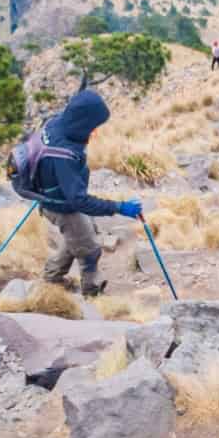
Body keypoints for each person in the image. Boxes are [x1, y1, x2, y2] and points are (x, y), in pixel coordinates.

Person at [32, 88, 143, 296]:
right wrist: (119, 207)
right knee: (90, 250)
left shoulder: (55, 123)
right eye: (93, 126)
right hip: (61, 205)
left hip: (51, 192)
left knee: (79, 234)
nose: (95, 131)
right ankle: (92, 293)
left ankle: (52, 277)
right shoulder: (64, 156)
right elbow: (79, 201)